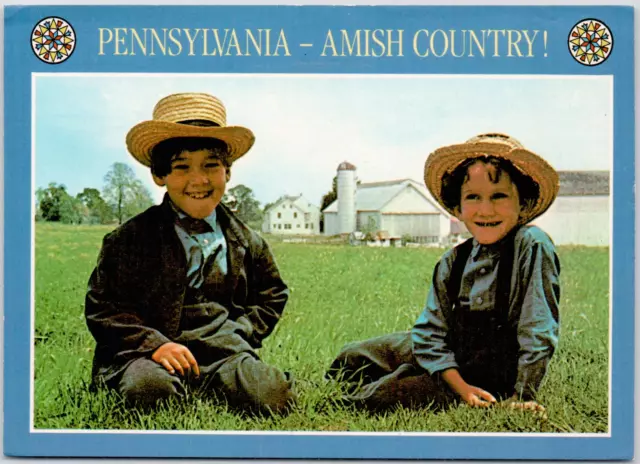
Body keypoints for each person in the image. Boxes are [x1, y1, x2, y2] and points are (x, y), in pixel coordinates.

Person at [85, 92, 296, 415]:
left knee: (271, 394)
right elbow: (104, 308)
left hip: (223, 350)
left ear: (228, 171)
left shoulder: (247, 240)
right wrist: (155, 345)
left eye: (211, 165)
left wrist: (241, 332)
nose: (198, 180)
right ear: (160, 175)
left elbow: (273, 294)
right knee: (149, 390)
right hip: (149, 352)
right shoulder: (127, 240)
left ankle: (217, 380)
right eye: (181, 167)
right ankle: (169, 381)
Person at [327, 133, 560, 414]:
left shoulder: (531, 245)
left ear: (522, 203)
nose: (486, 210)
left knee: (382, 396)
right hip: (453, 351)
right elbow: (430, 331)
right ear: (458, 208)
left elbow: (538, 326)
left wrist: (523, 393)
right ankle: (411, 371)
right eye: (473, 197)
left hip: (490, 370)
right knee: (352, 357)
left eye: (499, 196)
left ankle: (402, 382)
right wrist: (454, 379)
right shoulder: (453, 259)